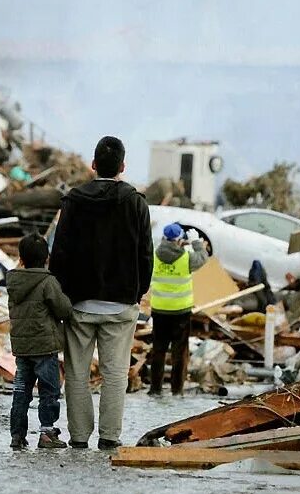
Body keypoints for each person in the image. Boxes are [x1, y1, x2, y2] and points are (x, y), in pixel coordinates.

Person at [49, 136, 153, 450]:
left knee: (78, 374)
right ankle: (110, 437)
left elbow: (60, 254)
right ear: (122, 166)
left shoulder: (73, 202)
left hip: (79, 304)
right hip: (121, 304)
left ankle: (79, 437)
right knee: (115, 373)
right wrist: (139, 291)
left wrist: (62, 295)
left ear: (93, 165)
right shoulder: (136, 202)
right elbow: (145, 253)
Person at [6, 233, 73, 450]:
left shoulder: (14, 282)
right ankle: (46, 433)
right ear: (46, 258)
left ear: (21, 259)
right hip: (44, 347)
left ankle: (17, 435)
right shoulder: (47, 281)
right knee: (49, 391)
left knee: (21, 391)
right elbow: (63, 309)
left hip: (22, 348)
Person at [148, 223, 208, 396]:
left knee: (158, 350)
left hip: (159, 310)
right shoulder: (187, 258)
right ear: (179, 239)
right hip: (180, 312)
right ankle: (176, 389)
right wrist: (196, 242)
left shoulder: (154, 256)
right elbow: (203, 257)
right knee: (179, 353)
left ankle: (155, 388)